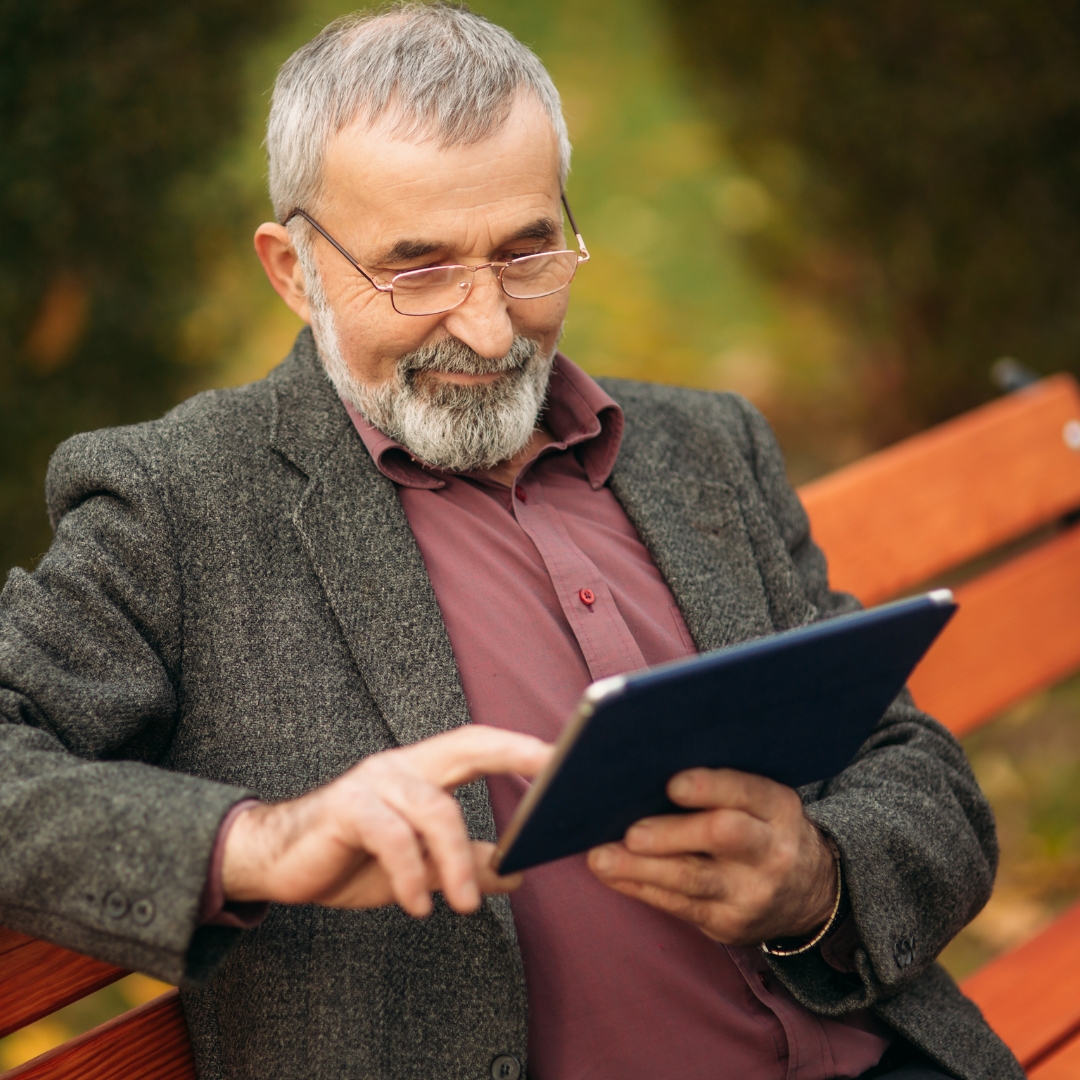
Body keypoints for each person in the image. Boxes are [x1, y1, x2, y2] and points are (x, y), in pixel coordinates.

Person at [0, 5, 1020, 1079]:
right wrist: (257, 843)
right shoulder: (181, 502)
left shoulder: (708, 445)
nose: (490, 329)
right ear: (294, 272)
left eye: (528, 251)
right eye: (420, 269)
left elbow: (920, 776)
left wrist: (817, 881)